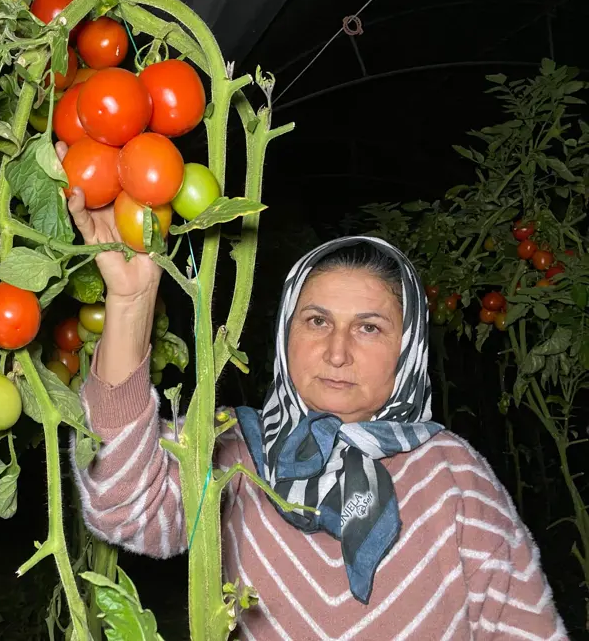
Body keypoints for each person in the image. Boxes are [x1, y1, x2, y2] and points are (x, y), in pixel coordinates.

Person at [58, 144, 566, 640]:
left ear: (406, 351)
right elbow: (123, 505)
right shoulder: (233, 449)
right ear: (286, 335)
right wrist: (132, 300)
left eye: (369, 328)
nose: (337, 352)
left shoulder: (452, 477)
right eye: (317, 320)